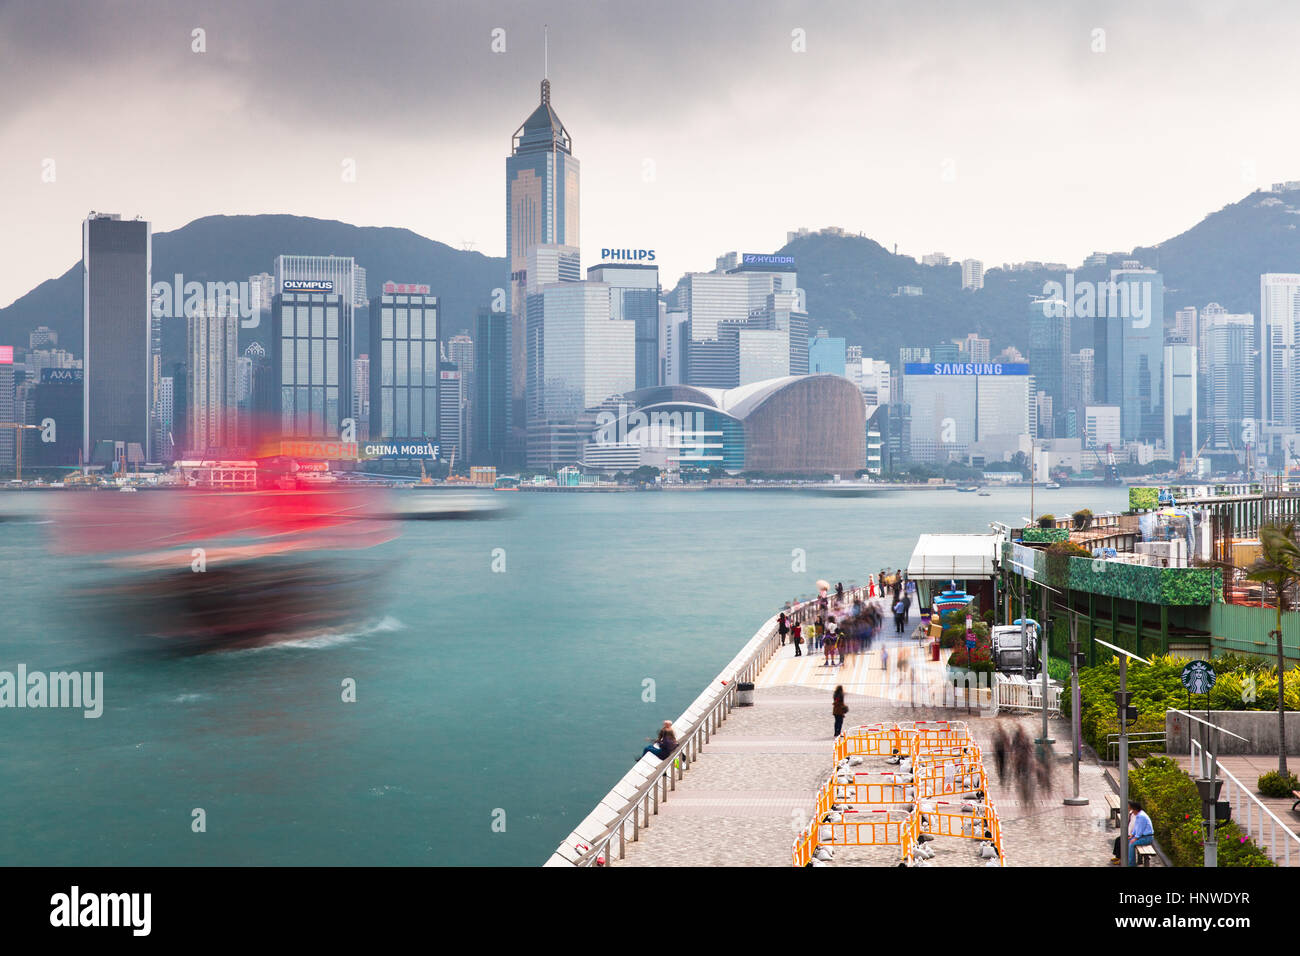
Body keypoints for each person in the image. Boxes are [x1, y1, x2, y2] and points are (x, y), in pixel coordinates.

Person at [1112, 801, 1155, 865]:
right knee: (1125, 840)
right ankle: (1123, 858)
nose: (1131, 811)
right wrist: (1132, 835)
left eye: (1132, 809)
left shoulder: (1141, 816)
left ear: (1135, 810)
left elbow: (1140, 829)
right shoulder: (1139, 815)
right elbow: (1136, 827)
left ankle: (1131, 864)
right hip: (1142, 836)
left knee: (1131, 843)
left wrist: (1136, 838)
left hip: (1147, 838)